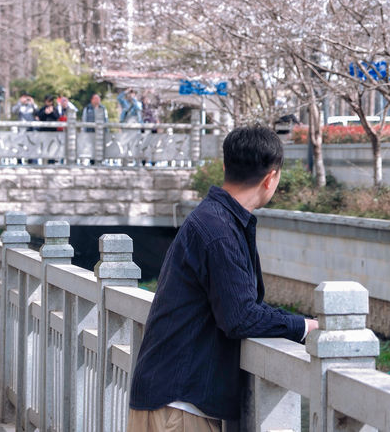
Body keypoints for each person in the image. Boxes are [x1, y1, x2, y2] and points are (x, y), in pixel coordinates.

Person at [127, 125, 318, 431]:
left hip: (169, 399)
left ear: (227, 166)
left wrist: (297, 323)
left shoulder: (214, 219)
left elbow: (243, 306)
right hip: (179, 408)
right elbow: (240, 317)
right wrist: (303, 326)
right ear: (270, 178)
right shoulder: (219, 231)